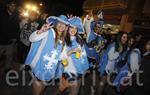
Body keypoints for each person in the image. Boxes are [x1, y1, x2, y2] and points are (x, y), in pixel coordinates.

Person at [25, 15, 71, 95]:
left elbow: (61, 56)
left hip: (50, 70)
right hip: (39, 67)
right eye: (59, 23)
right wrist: (41, 31)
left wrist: (68, 55)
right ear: (56, 24)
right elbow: (31, 39)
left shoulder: (63, 40)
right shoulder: (48, 32)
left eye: (64, 24)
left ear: (66, 27)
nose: (61, 25)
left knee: (42, 91)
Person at [59, 17, 89, 95]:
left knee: (75, 90)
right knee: (74, 92)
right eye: (71, 27)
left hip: (79, 69)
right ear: (68, 28)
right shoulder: (63, 40)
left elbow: (83, 56)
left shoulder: (79, 39)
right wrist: (71, 51)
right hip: (69, 69)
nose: (73, 30)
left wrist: (84, 68)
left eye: (75, 28)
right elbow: (61, 57)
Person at [0, 0, 20, 71]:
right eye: (11, 5)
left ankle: (7, 69)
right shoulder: (2, 15)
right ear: (7, 6)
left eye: (14, 6)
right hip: (1, 41)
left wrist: (16, 38)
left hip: (10, 42)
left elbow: (17, 28)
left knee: (9, 56)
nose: (13, 7)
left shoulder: (16, 16)